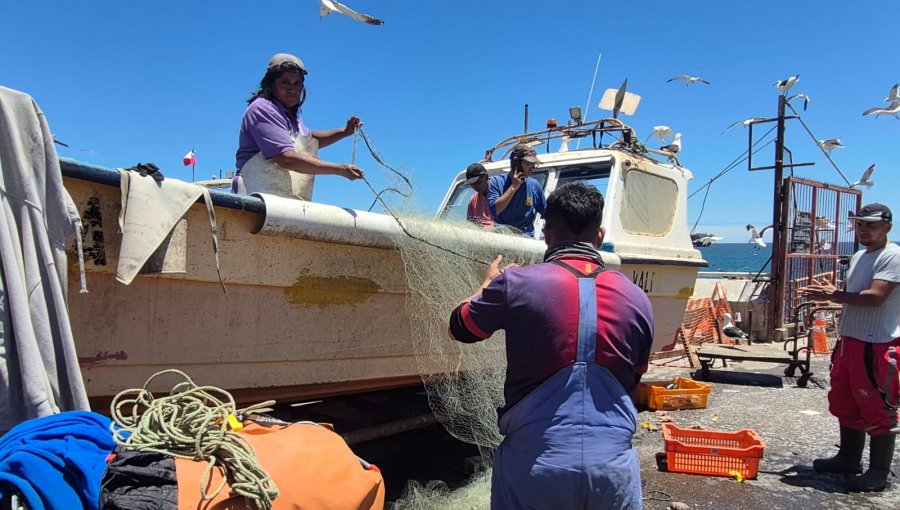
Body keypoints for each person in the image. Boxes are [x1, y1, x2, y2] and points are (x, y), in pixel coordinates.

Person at [449, 182, 654, 509]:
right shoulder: (637, 298)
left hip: (536, 467)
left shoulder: (515, 284)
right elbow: (635, 378)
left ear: (546, 233)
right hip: (613, 470)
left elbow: (460, 327)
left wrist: (487, 285)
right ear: (599, 236)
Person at [800, 203, 900, 492]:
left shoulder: (892, 257)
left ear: (887, 227)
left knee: (877, 405)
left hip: (875, 342)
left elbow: (875, 298)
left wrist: (834, 294)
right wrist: (835, 295)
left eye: (870, 224)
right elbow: (854, 297)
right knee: (846, 400)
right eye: (859, 224)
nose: (863, 230)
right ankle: (848, 458)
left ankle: (879, 472)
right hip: (851, 340)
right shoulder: (859, 256)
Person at [232, 53, 364, 200]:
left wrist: (344, 132)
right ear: (271, 84)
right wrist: (340, 170)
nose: (292, 89)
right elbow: (285, 158)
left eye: (297, 83)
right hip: (254, 196)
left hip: (279, 199)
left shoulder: (291, 115)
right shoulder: (263, 108)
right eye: (285, 82)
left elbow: (309, 141)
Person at [487, 143, 546, 236]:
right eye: (529, 164)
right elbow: (495, 210)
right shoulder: (496, 182)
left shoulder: (534, 185)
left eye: (534, 164)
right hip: (502, 238)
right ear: (516, 163)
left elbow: (545, 212)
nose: (533, 168)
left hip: (526, 239)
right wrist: (513, 187)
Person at [464, 162, 494, 228]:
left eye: (478, 182)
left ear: (486, 177)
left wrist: (493, 227)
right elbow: (470, 224)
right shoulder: (473, 200)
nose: (476, 187)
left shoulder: (501, 193)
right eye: (472, 184)